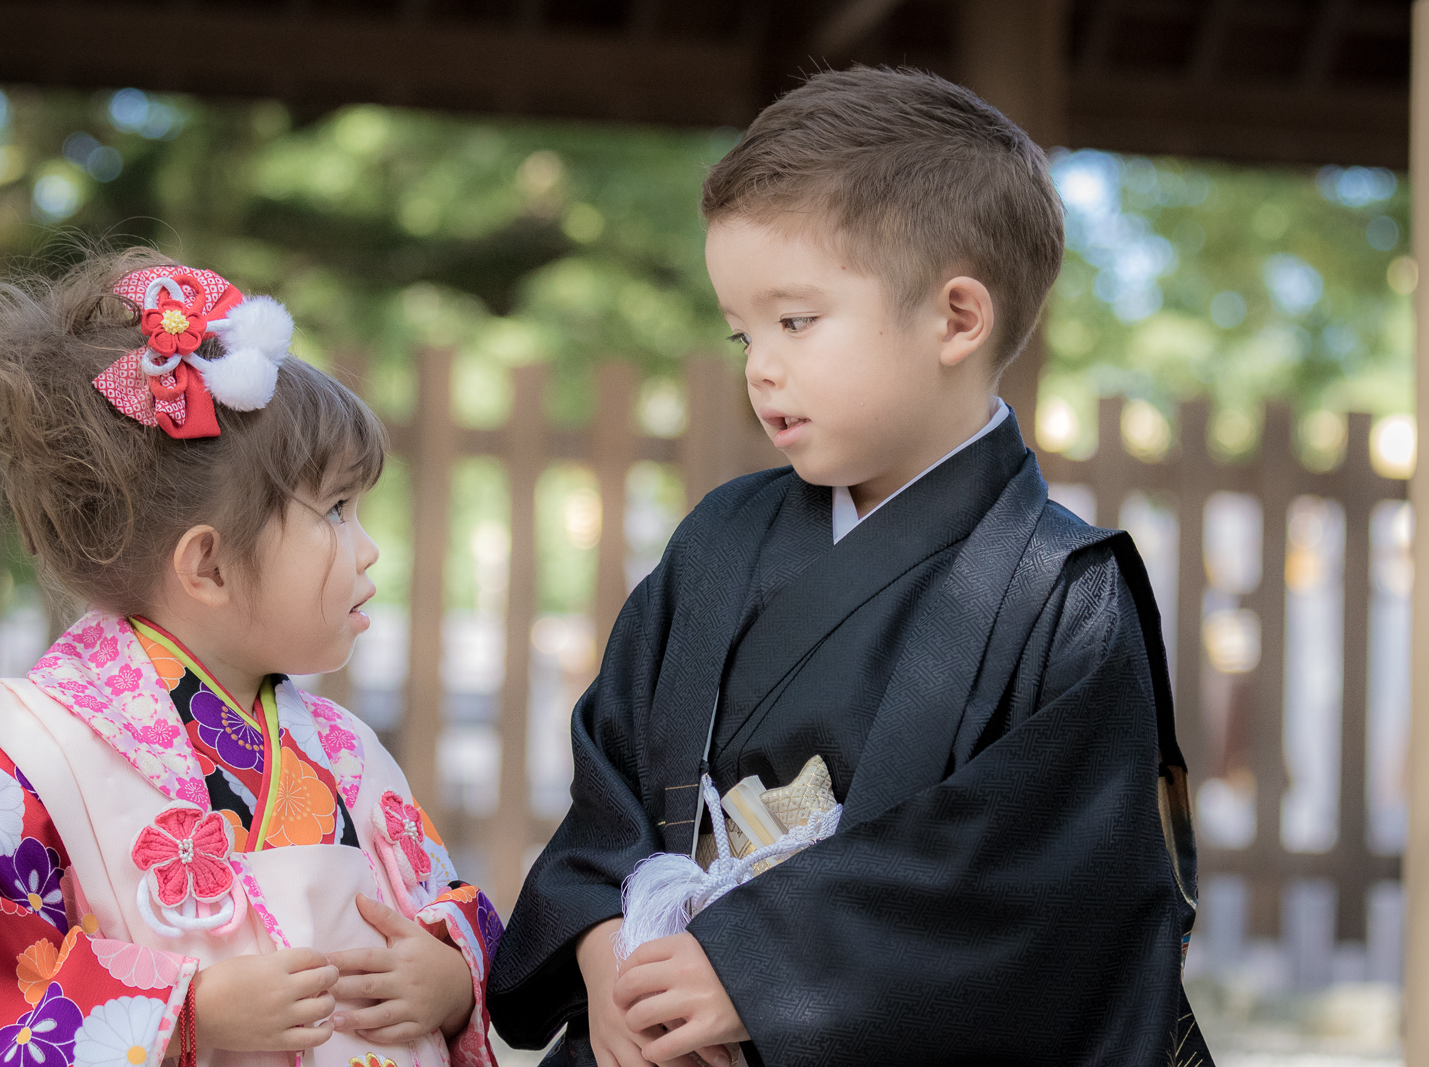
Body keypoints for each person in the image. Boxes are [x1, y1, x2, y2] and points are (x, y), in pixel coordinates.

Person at [489, 67, 1209, 1066]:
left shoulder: (1059, 593)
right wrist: (603, 944)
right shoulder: (719, 539)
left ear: (957, 317)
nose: (759, 367)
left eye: (796, 321)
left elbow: (1045, 897)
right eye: (741, 332)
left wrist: (755, 966)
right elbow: (611, 788)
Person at [0, 249, 503, 1067]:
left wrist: (449, 974)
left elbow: (448, 906)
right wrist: (184, 1015)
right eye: (336, 510)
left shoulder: (344, 749)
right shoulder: (34, 757)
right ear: (207, 565)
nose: (369, 550)